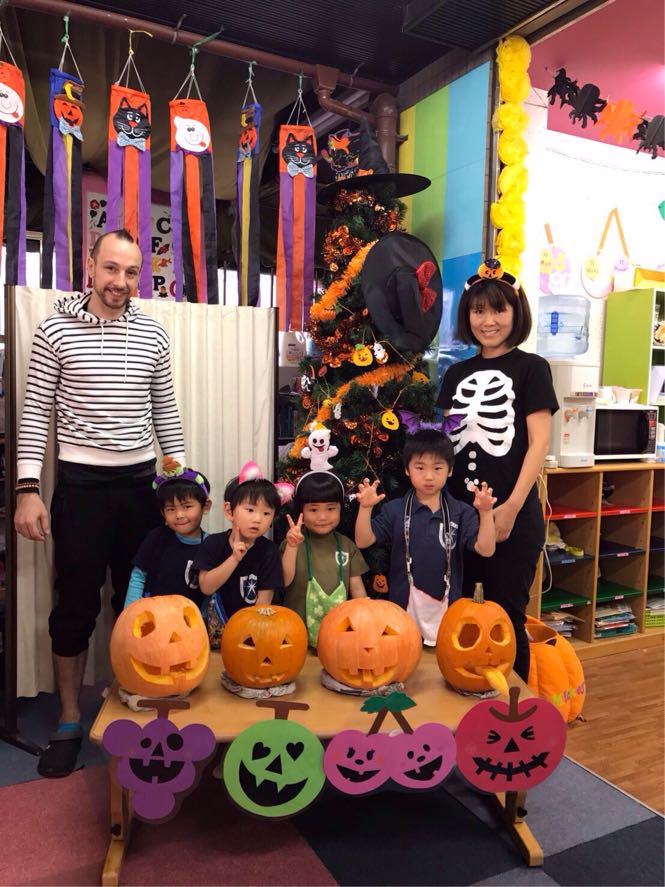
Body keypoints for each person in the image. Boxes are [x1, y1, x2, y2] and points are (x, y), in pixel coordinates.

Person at [14, 228, 186, 777]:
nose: (120, 281)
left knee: (141, 603)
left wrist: (182, 485)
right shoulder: (55, 329)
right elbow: (35, 412)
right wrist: (26, 490)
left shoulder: (153, 334)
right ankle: (69, 719)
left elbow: (166, 415)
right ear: (90, 267)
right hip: (81, 489)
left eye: (131, 272)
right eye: (111, 268)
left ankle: (132, 698)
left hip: (141, 489)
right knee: (75, 607)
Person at [436, 260, 559, 680]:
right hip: (460, 515)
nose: (488, 321)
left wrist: (510, 508)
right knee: (457, 614)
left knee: (508, 617)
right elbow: (448, 444)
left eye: (498, 310)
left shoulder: (532, 369)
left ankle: (514, 709)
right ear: (467, 316)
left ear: (515, 312)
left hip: (513, 512)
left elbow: (539, 443)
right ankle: (461, 701)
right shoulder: (456, 373)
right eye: (478, 311)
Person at [355, 429, 496, 645]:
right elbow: (363, 541)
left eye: (437, 468)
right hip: (401, 612)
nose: (429, 476)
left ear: (450, 470)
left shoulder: (461, 512)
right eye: (420, 468)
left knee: (444, 660)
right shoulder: (395, 510)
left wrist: (485, 513)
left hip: (449, 612)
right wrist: (365, 509)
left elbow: (486, 550)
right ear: (407, 469)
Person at [195, 467, 284, 648]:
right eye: (250, 510)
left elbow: (263, 602)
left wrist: (250, 635)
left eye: (266, 513)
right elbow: (206, 587)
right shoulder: (213, 543)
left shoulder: (269, 551)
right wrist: (234, 559)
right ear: (229, 511)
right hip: (215, 634)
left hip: (252, 635)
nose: (258, 519)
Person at [281, 471, 368, 646]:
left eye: (330, 508)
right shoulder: (292, 543)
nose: (322, 517)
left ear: (340, 508)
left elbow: (357, 591)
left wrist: (366, 618)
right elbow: (284, 580)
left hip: (337, 638)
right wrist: (291, 547)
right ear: (301, 511)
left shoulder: (347, 546)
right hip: (294, 637)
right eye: (313, 509)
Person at [124, 459, 212, 613]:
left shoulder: (210, 545)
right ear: (163, 513)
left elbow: (209, 591)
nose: (179, 515)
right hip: (152, 616)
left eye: (187, 506)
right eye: (171, 509)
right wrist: (130, 612)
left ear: (205, 506)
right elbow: (138, 576)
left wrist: (203, 618)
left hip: (189, 620)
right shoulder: (156, 538)